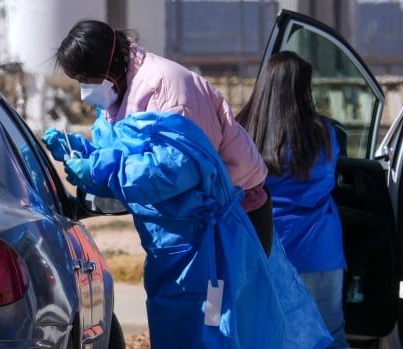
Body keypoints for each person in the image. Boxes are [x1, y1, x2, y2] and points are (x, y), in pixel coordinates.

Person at [50, 109, 332, 348]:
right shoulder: (190, 130)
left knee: (215, 322)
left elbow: (150, 178)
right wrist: (93, 159)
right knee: (219, 320)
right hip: (209, 254)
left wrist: (97, 166)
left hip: (208, 259)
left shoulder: (183, 141)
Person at [45, 19, 273, 255]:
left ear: (106, 67)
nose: (84, 90)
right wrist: (83, 152)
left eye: (85, 79)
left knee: (224, 291)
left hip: (232, 208)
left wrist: (98, 169)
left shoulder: (166, 87)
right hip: (188, 216)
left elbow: (175, 170)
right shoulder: (116, 92)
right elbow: (124, 153)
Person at [237, 51, 347, 348]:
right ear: (303, 89)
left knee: (268, 337)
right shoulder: (324, 133)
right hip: (319, 252)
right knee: (330, 335)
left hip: (263, 250)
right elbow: (330, 178)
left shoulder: (243, 132)